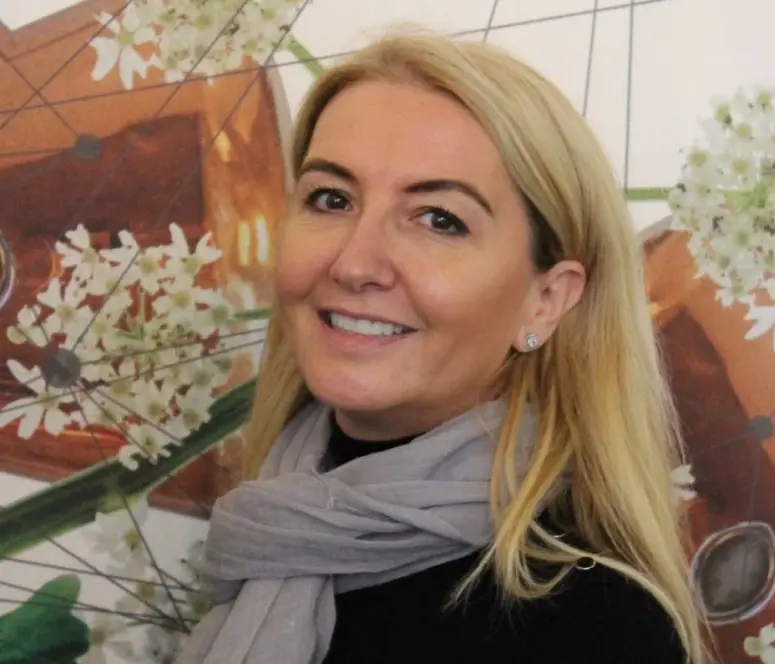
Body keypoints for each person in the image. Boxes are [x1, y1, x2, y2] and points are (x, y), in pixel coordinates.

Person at [176, 27, 711, 664]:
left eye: (439, 219)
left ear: (546, 300)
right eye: (331, 198)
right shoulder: (270, 526)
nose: (355, 263)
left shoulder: (595, 627)